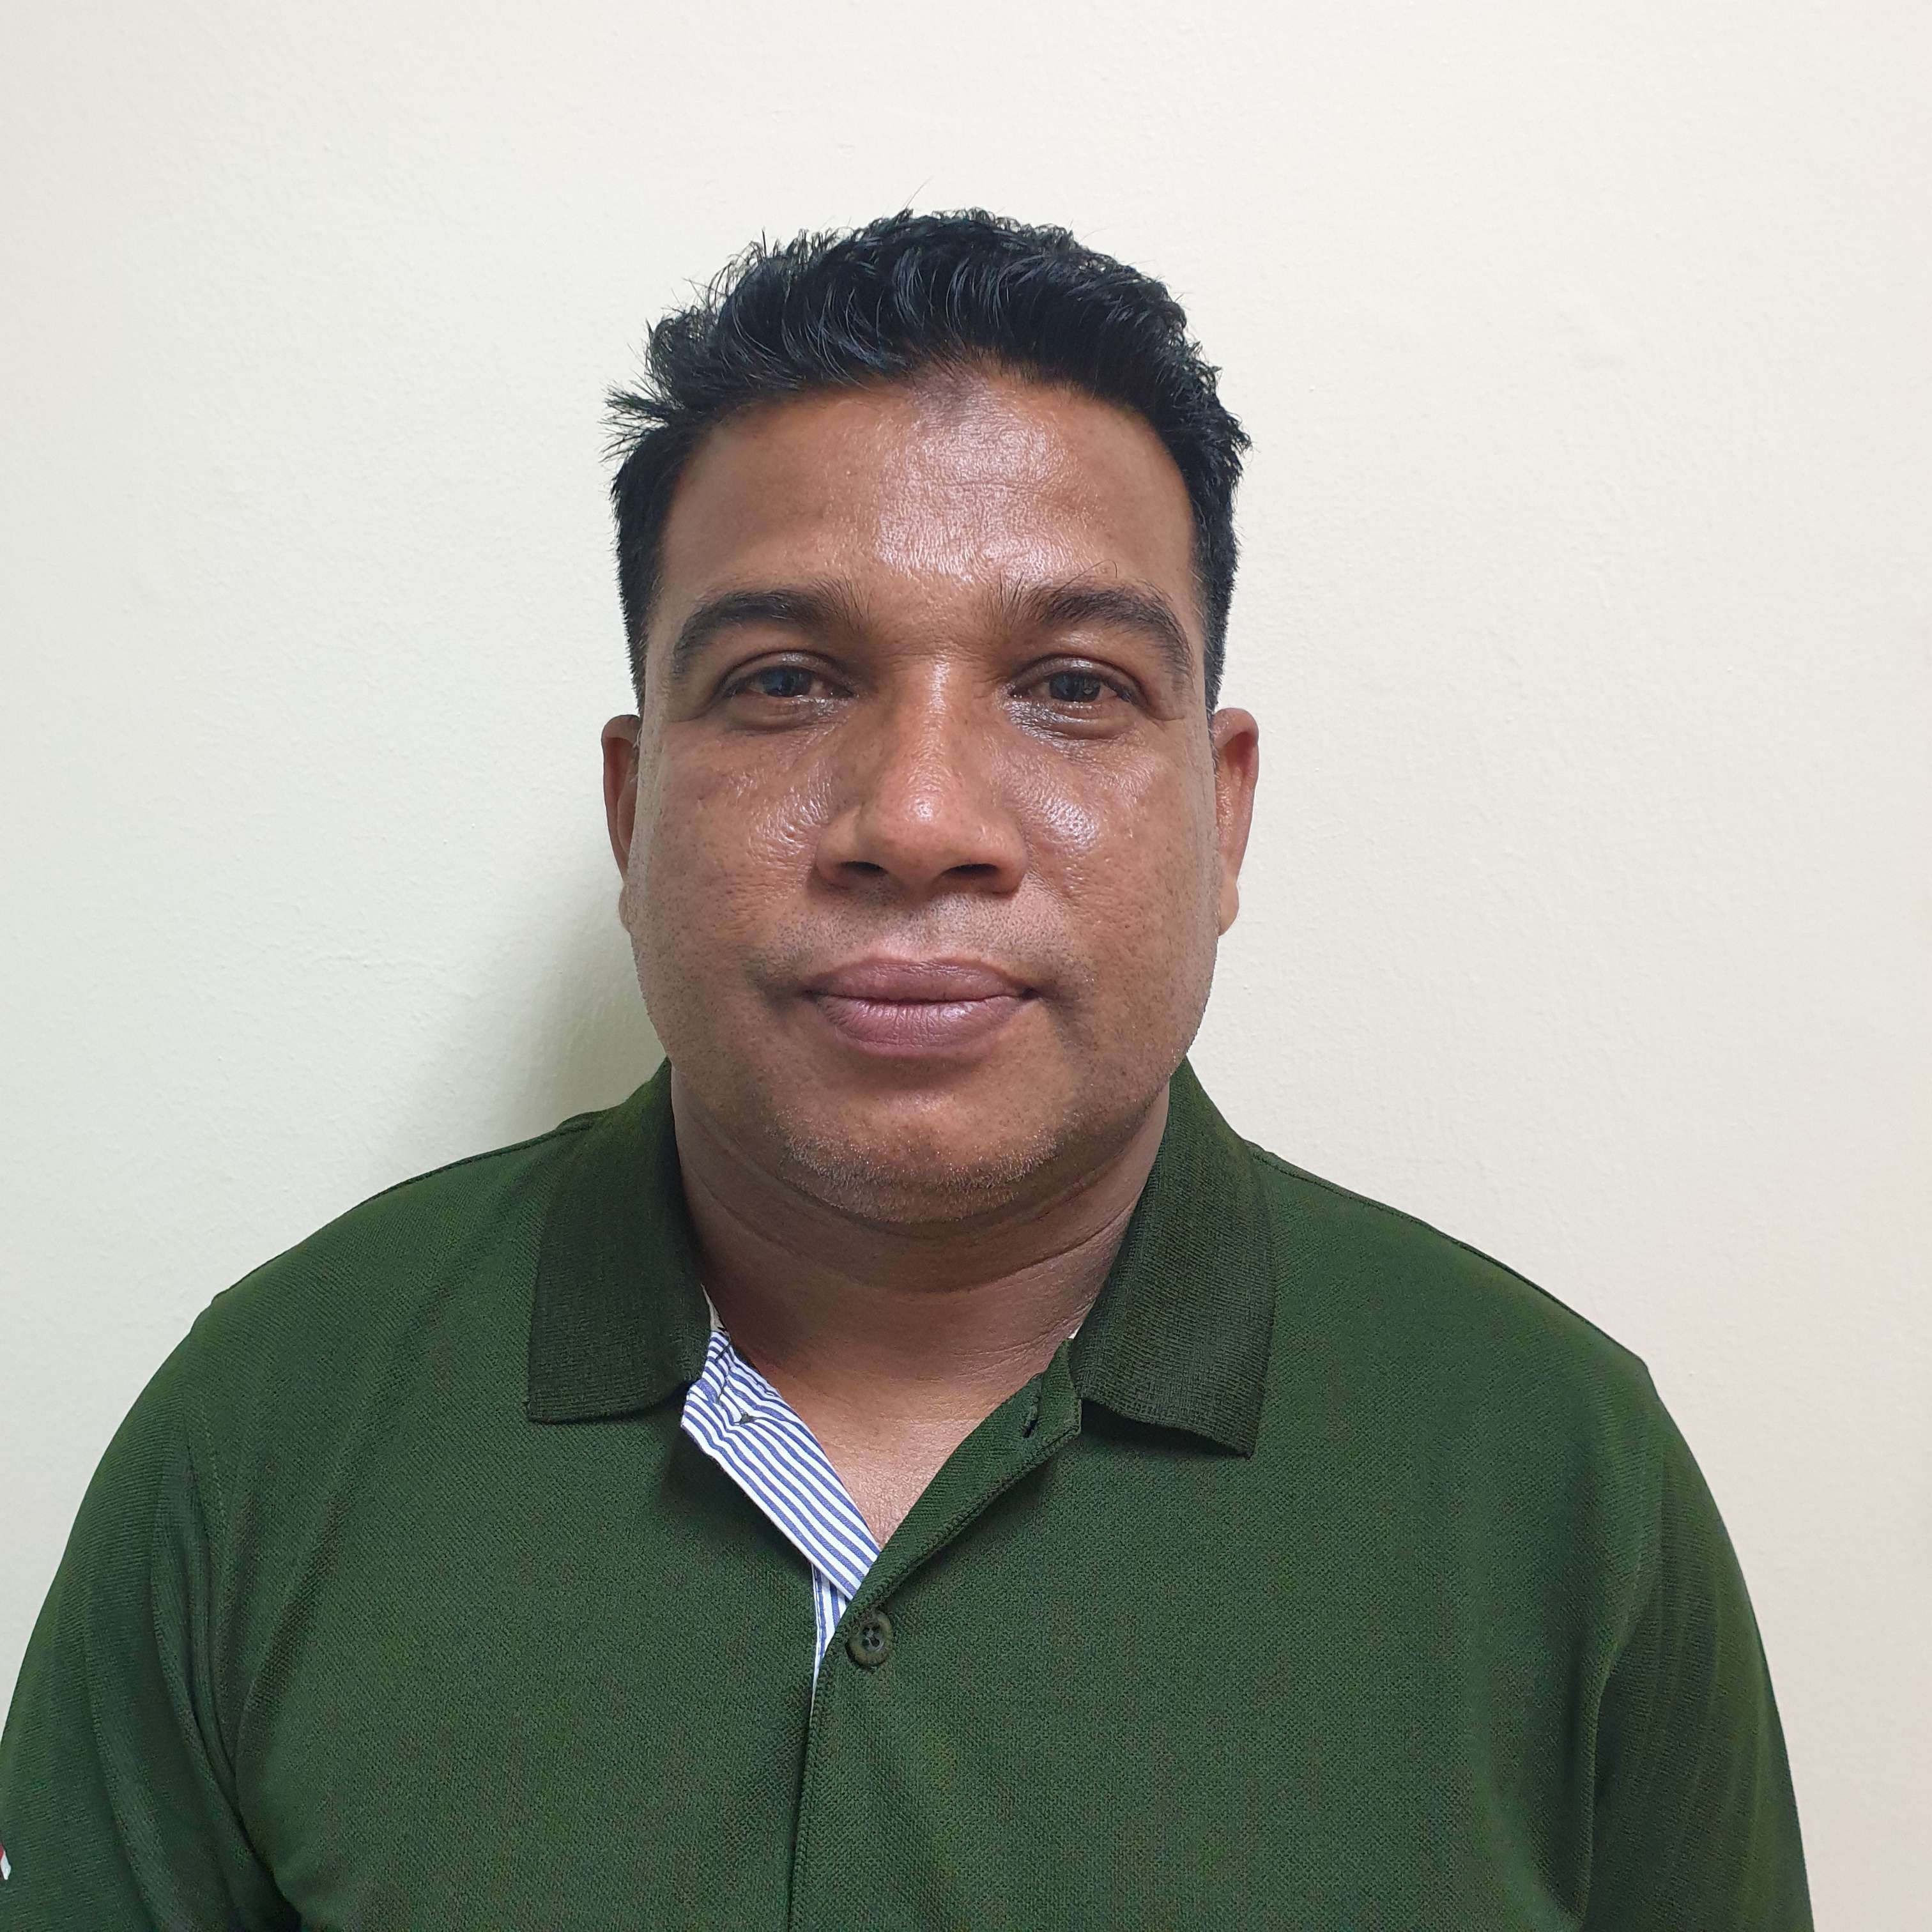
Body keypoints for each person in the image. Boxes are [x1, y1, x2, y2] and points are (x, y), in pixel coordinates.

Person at [0, 210, 1811, 1929]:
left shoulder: (1558, 1478)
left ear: (1224, 811)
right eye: (787, 682)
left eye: (1074, 686)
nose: (921, 818)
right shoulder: (271, 1428)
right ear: (633, 810)